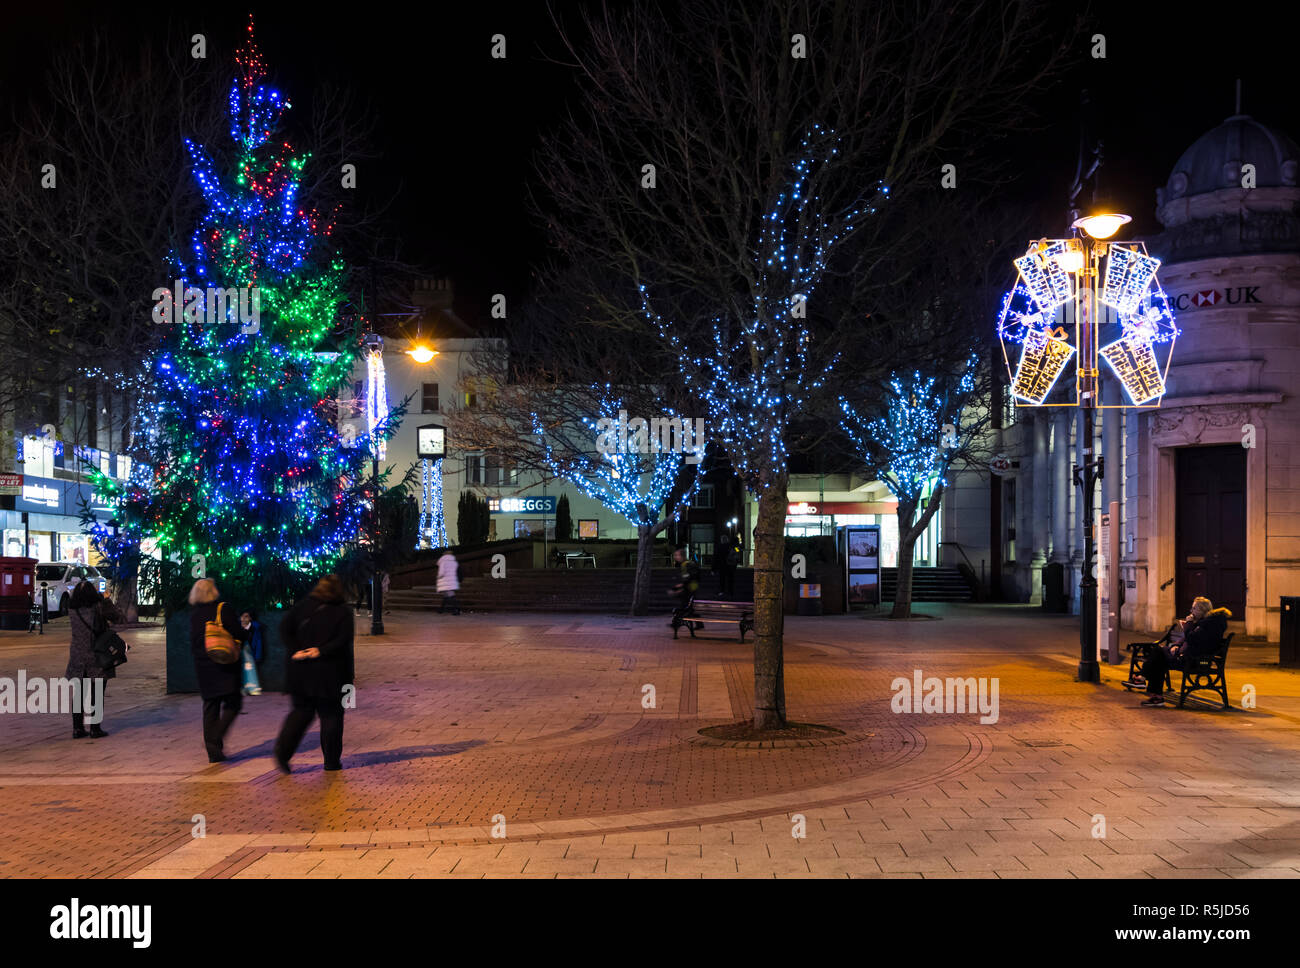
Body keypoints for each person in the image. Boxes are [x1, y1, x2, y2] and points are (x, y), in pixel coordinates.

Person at [273, 574, 355, 773]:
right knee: (332, 715)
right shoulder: (343, 612)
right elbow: (344, 639)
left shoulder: (302, 606)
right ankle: (332, 762)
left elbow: (285, 628)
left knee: (300, 712)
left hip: (300, 671)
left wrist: (296, 650)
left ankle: (282, 754)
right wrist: (321, 650)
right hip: (332, 673)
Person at [188, 578, 248, 762]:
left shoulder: (195, 614)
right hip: (224, 664)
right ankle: (216, 736)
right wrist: (246, 629)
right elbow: (238, 634)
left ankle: (214, 752)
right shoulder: (223, 609)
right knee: (233, 703)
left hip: (203, 666)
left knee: (210, 707)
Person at [1139, 596, 1231, 706]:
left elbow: (1191, 638)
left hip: (1195, 662)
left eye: (1194, 609)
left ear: (1202, 610)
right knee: (1159, 655)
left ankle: (1146, 682)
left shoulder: (1209, 625)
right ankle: (1152, 691)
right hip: (1188, 657)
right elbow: (1187, 638)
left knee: (1159, 654)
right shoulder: (1204, 622)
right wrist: (1176, 645)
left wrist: (1188, 624)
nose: (1191, 611)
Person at [66, 581, 124, 739]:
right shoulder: (98, 608)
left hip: (78, 656)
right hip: (97, 655)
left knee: (79, 693)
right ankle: (95, 728)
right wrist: (106, 599)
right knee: (96, 693)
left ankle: (77, 728)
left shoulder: (72, 609)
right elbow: (117, 617)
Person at [240, 610, 264, 696]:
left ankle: (252, 688)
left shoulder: (255, 629)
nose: (244, 619)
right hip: (241, 654)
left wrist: (257, 655)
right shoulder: (238, 628)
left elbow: (258, 642)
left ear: (250, 618)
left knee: (250, 669)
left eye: (246, 616)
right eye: (242, 616)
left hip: (250, 654)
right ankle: (243, 688)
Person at [437, 550, 460, 615]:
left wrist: (438, 577)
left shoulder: (443, 562)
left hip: (445, 581)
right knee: (446, 596)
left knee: (450, 595)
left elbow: (441, 572)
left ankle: (456, 609)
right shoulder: (454, 562)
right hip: (452, 580)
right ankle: (441, 609)